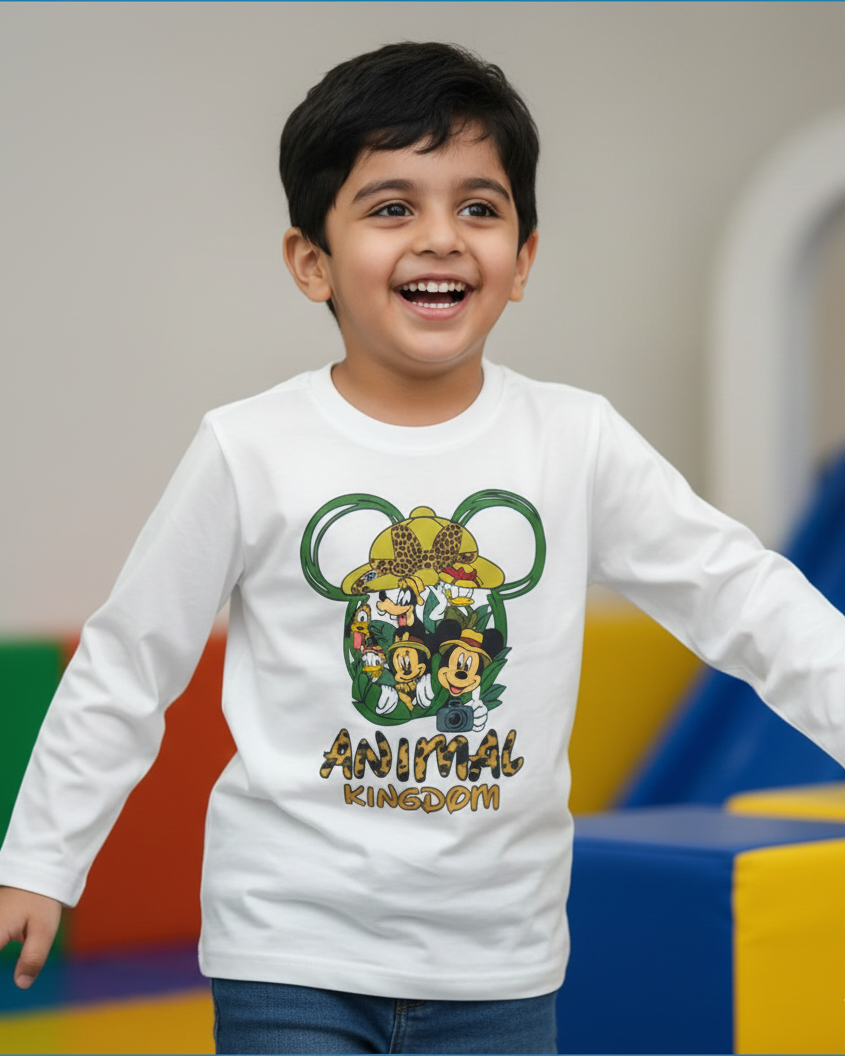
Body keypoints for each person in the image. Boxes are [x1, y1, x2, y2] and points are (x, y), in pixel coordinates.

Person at [2, 40, 845, 1056]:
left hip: (496, 965)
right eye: (392, 206)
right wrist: (44, 860)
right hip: (290, 954)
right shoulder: (250, 447)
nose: (439, 238)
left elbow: (742, 596)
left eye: (478, 208)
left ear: (523, 259)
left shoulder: (571, 442)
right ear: (309, 258)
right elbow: (130, 661)